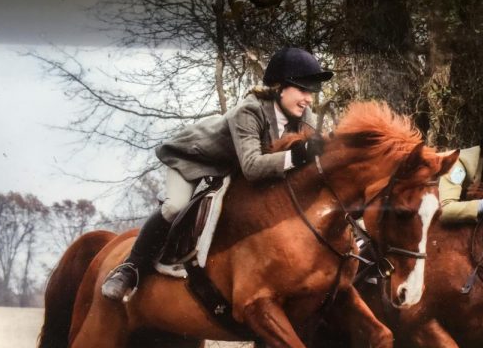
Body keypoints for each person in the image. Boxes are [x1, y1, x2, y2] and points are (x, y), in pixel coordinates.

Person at [101, 47, 334, 301]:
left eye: (312, 91)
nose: (309, 98)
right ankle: (130, 268)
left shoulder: (304, 114)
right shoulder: (250, 110)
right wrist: (300, 155)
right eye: (303, 89)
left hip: (230, 170)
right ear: (279, 87)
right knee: (175, 207)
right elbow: (254, 167)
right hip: (194, 161)